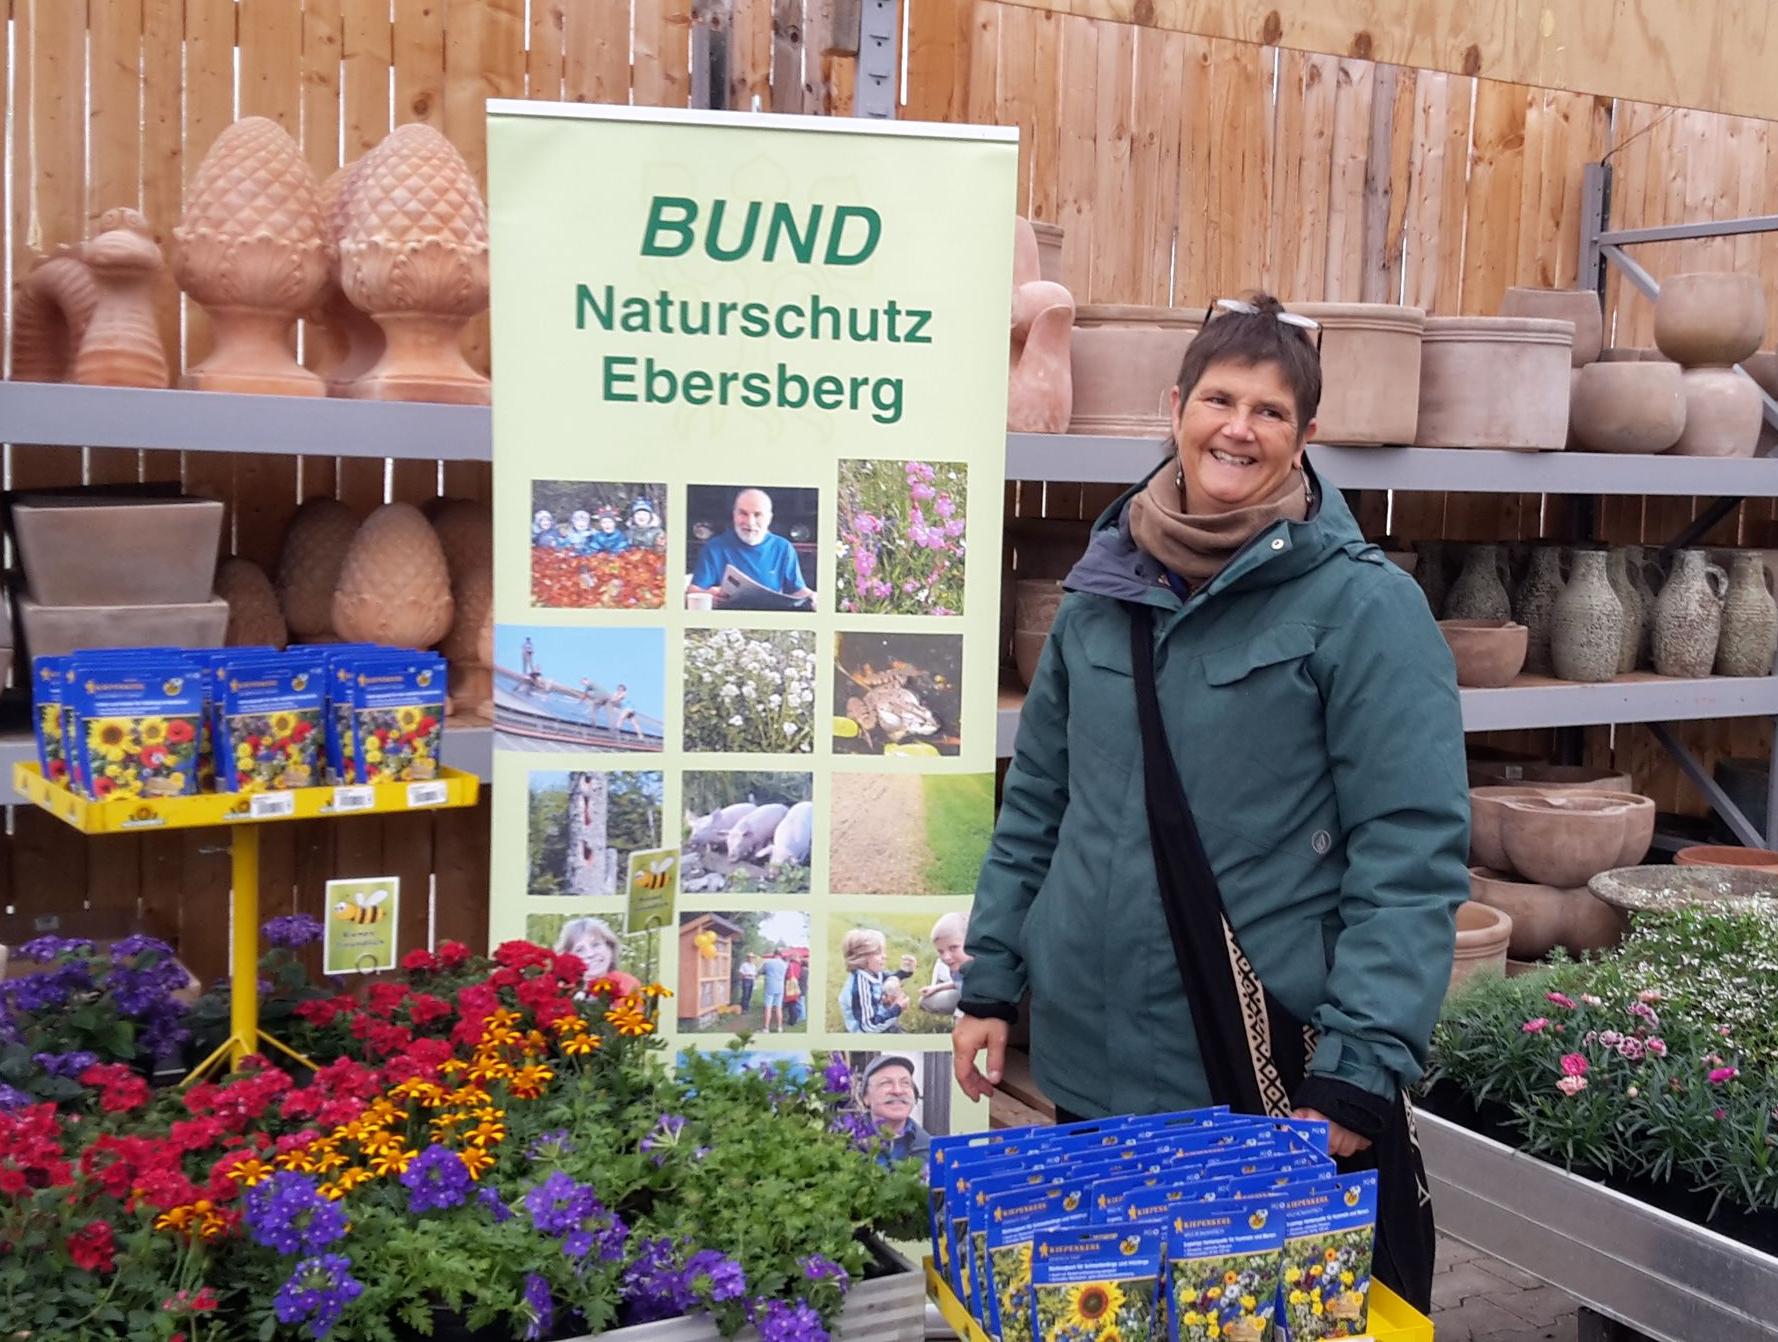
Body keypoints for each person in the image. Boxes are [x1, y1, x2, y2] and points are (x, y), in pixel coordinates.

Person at [952, 294, 1467, 1313]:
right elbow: (1037, 805)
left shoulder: (1361, 607)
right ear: (1174, 405)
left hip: (1251, 1073)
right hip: (1091, 1058)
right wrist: (987, 978)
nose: (1238, 427)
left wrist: (1356, 1070)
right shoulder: (1100, 590)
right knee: (1109, 1313)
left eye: (1270, 412)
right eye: (1219, 399)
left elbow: (1407, 851)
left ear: (1305, 437)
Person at [687, 488, 816, 607]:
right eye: (743, 513)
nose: (750, 522)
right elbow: (692, 592)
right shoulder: (714, 548)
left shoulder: (783, 548)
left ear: (769, 518)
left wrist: (812, 596)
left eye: (757, 515)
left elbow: (797, 590)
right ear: (734, 515)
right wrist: (708, 595)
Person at [854, 1054, 929, 1164]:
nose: (897, 1091)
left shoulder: (931, 1150)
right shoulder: (847, 1145)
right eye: (886, 1083)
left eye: (905, 1083)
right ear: (866, 1097)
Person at [837, 929, 917, 1034]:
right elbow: (869, 1026)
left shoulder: (873, 972)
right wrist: (897, 1008)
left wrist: (905, 971)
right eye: (878, 953)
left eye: (883, 951)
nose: (885, 956)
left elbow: (890, 978)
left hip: (879, 1018)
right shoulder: (860, 988)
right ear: (861, 958)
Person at [555, 916, 642, 999]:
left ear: (610, 947)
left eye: (596, 945)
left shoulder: (628, 984)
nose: (590, 954)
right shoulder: (560, 992)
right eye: (580, 950)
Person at [919, 910, 971, 1014]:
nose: (946, 957)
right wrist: (936, 988)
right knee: (925, 1001)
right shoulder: (957, 966)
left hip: (984, 1004)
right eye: (941, 951)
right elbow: (958, 982)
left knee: (961, 1015)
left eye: (953, 948)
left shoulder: (981, 968)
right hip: (963, 996)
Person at [757, 946, 790, 1032]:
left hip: (770, 987)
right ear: (781, 955)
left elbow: (760, 971)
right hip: (780, 987)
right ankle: (780, 1027)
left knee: (768, 1007)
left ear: (774, 954)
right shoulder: (785, 964)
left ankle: (766, 1028)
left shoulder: (768, 962)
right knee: (779, 1008)